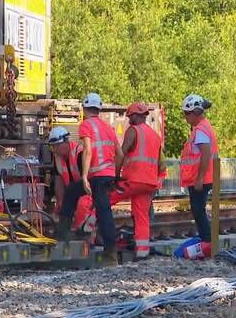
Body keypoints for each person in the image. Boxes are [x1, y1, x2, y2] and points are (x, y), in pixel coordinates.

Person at [57, 93, 123, 266]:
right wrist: (115, 173)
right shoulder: (108, 127)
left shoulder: (86, 125)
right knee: (73, 192)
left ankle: (110, 253)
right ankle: (64, 231)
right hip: (107, 175)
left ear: (85, 109)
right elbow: (120, 154)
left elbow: (87, 150)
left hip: (96, 176)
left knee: (103, 212)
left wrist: (85, 176)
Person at [110, 103, 165, 260]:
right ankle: (142, 253)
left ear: (137, 116)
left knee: (105, 199)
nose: (129, 120)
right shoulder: (155, 136)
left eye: (130, 116)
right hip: (149, 184)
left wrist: (115, 175)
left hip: (134, 180)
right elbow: (161, 163)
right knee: (142, 216)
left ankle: (87, 230)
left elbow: (121, 153)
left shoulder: (133, 131)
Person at [180, 94, 218, 246]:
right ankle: (207, 241)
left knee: (198, 210)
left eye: (187, 113)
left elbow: (205, 154)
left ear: (196, 112)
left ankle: (207, 241)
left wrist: (199, 178)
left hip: (202, 178)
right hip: (204, 176)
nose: (186, 117)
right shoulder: (202, 127)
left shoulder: (201, 130)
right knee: (198, 210)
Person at [48, 127, 97, 239]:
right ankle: (65, 232)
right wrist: (60, 200)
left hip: (88, 189)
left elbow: (87, 179)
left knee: (83, 205)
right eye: (52, 147)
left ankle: (82, 234)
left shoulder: (79, 153)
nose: (53, 150)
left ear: (64, 143)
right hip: (73, 191)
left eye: (55, 146)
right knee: (65, 205)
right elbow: (59, 180)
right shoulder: (58, 157)